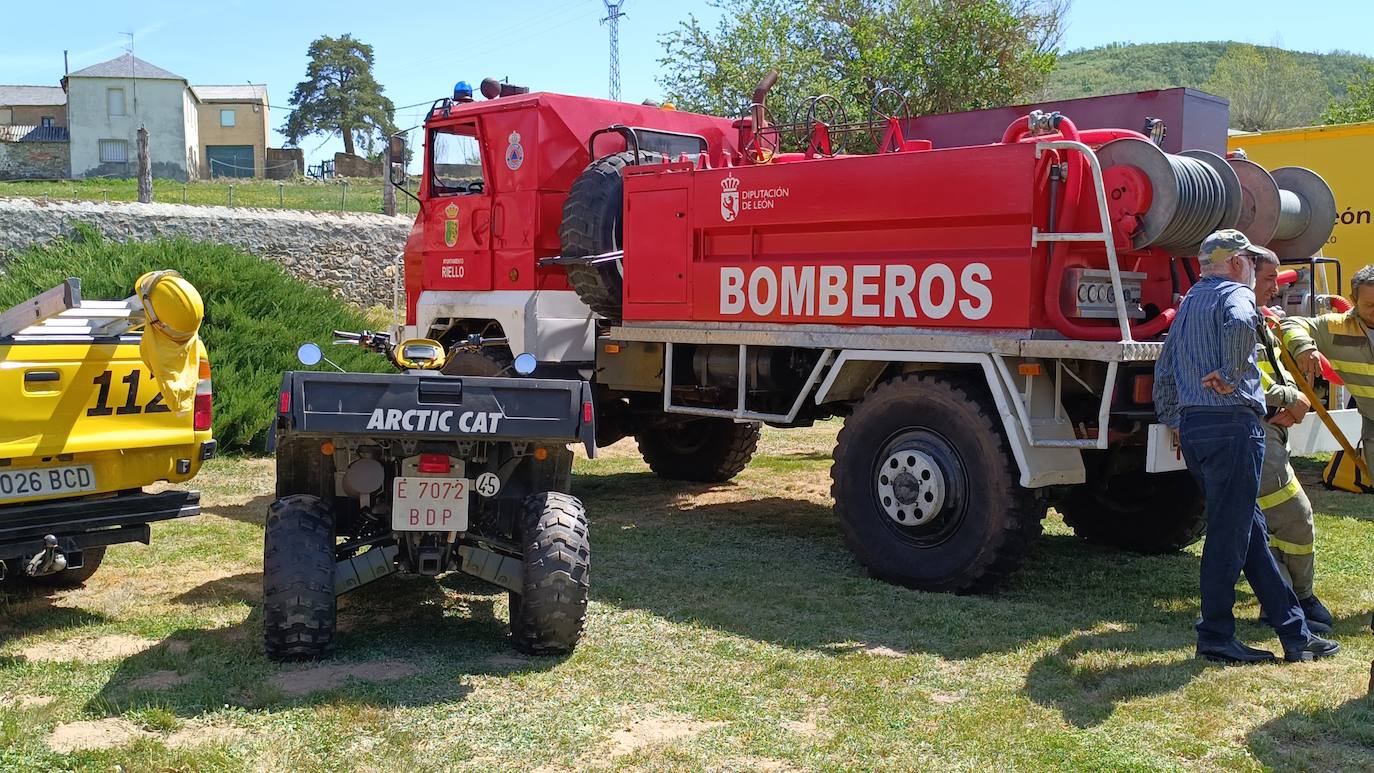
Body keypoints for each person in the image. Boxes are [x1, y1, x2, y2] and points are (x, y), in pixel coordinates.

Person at [1154, 229, 1339, 664]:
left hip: (1199, 429)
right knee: (1228, 535)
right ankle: (1216, 637)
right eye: (1252, 263)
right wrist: (1234, 373)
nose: (1256, 272)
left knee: (1248, 530)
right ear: (1238, 262)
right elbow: (1240, 323)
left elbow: (1165, 368)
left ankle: (1295, 633)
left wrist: (1176, 419)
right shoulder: (1234, 295)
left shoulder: (1188, 304)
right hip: (1234, 428)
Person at [1252, 254, 1332, 633]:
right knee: (1295, 518)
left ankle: (1280, 600)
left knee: (1272, 523)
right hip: (1258, 430)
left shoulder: (1262, 317)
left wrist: (1291, 400)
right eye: (1269, 278)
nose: (1276, 286)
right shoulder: (1233, 317)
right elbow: (1244, 372)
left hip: (1273, 426)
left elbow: (1278, 357)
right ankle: (1298, 596)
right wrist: (1289, 400)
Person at [1280, 264, 1374, 478]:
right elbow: (1290, 324)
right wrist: (1304, 347)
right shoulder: (1336, 328)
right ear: (1353, 299)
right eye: (1370, 304)